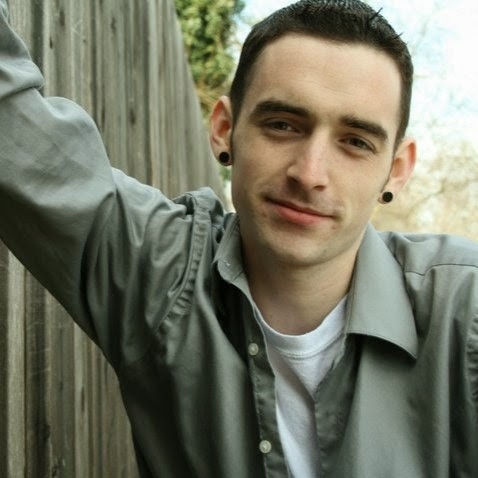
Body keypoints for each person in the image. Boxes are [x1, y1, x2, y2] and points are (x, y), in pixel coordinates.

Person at [1, 0, 477, 476]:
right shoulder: (159, 274)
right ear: (225, 130)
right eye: (282, 125)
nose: (310, 174)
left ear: (397, 169)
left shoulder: (464, 313)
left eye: (355, 142)